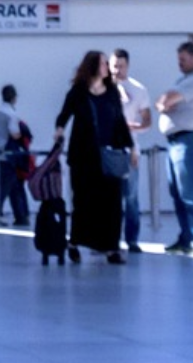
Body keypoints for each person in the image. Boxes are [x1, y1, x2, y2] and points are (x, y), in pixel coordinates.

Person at [53, 51, 134, 264]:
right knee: (83, 201)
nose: (107, 67)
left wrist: (130, 147)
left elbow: (120, 121)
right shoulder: (78, 92)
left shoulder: (112, 92)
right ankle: (75, 242)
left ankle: (111, 247)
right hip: (83, 156)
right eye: (103, 63)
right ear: (93, 66)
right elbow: (64, 114)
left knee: (112, 202)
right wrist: (59, 129)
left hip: (109, 154)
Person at [157, 40, 193, 253]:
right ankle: (186, 237)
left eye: (183, 59)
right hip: (175, 142)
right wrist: (165, 102)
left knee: (188, 191)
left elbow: (167, 100)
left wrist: (166, 103)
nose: (179, 63)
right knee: (177, 193)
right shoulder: (184, 79)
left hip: (188, 140)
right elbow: (161, 101)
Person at [111, 48, 154, 253]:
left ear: (128, 65)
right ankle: (107, 239)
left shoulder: (138, 89)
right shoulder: (102, 89)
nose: (117, 70)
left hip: (129, 150)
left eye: (121, 66)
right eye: (114, 66)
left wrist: (130, 128)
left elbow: (147, 121)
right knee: (108, 197)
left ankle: (132, 239)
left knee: (131, 197)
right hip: (107, 150)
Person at [0, 84, 29, 227]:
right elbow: (14, 134)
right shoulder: (12, 114)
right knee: (5, 187)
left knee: (13, 185)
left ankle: (20, 216)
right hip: (9, 154)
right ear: (14, 98)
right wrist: (23, 133)